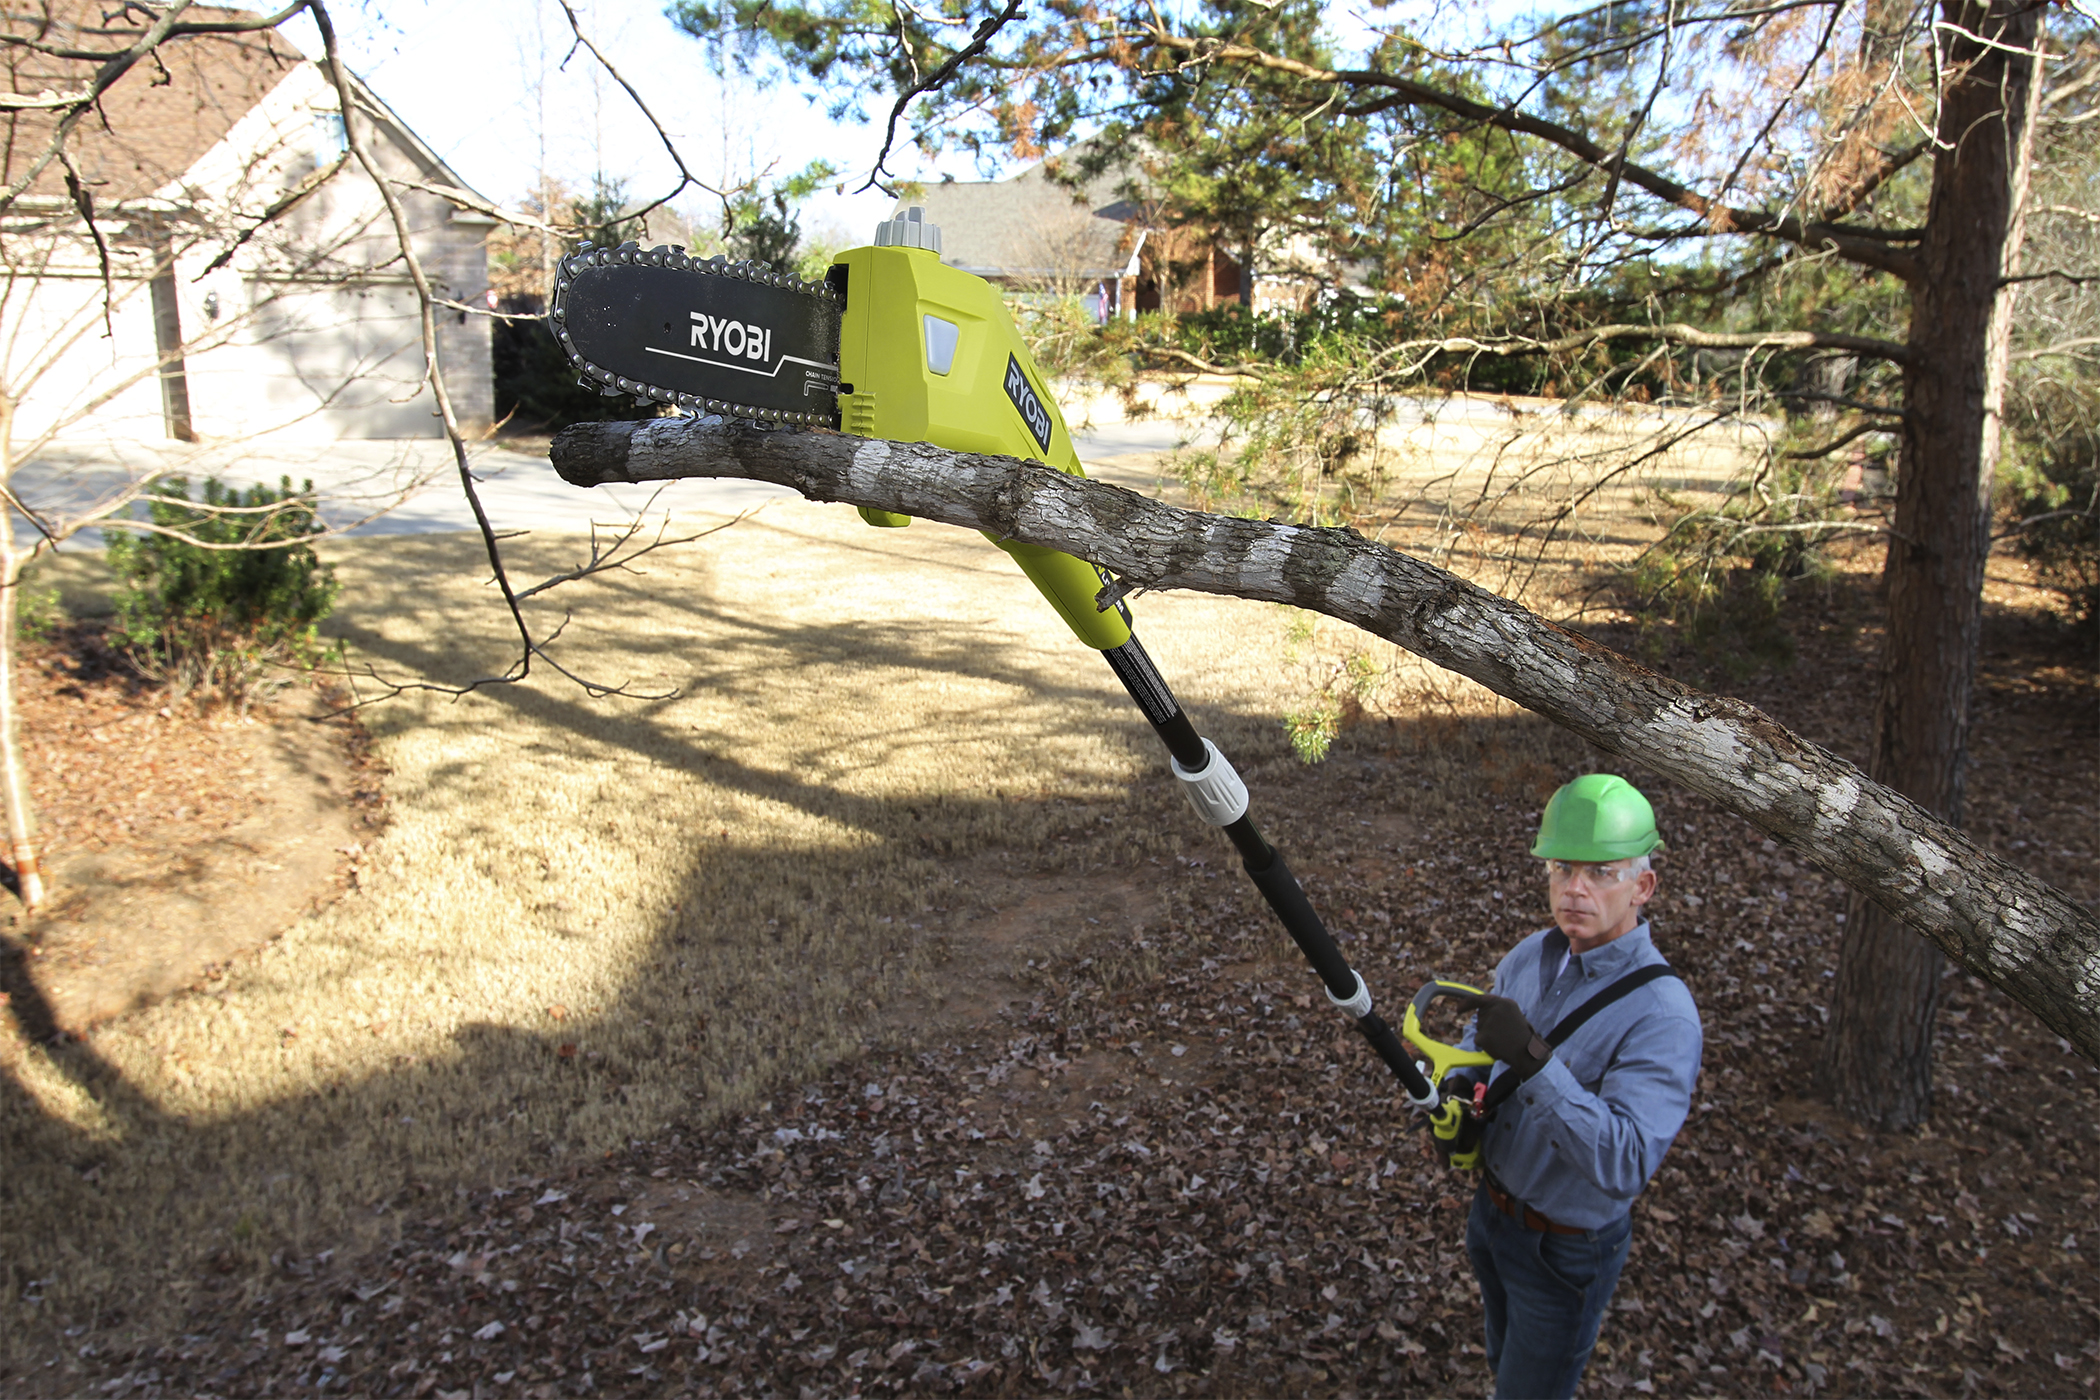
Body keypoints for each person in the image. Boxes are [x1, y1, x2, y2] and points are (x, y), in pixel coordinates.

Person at [1438, 774, 1703, 1400]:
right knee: (1504, 1360)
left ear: (1643, 886)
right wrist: (1457, 1092)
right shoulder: (1532, 954)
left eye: (1601, 872)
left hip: (1564, 1254)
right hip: (1492, 1219)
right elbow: (1482, 1053)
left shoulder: (1663, 1015)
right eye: (1561, 868)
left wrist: (1534, 1063)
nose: (1575, 889)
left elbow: (1625, 1161)